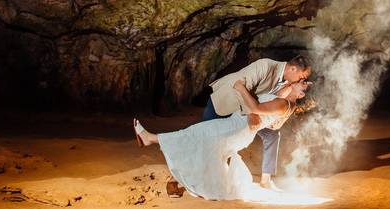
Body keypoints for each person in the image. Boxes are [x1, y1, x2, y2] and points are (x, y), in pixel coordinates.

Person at [132, 80, 309, 201]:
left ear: (300, 94)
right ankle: (187, 182)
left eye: (303, 83)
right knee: (206, 147)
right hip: (238, 126)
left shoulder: (284, 105)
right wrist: (288, 85)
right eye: (303, 78)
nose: (301, 79)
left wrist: (241, 88)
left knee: (196, 135)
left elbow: (255, 107)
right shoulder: (284, 100)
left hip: (238, 128)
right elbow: (273, 115)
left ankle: (150, 139)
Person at [202, 55, 312, 191]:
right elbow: (240, 84)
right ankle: (179, 177)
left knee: (272, 135)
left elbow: (275, 101)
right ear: (293, 69)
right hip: (226, 100)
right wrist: (252, 113)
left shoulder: (288, 82)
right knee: (204, 138)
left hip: (246, 111)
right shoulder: (265, 66)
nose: (303, 80)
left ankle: (266, 181)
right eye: (302, 76)